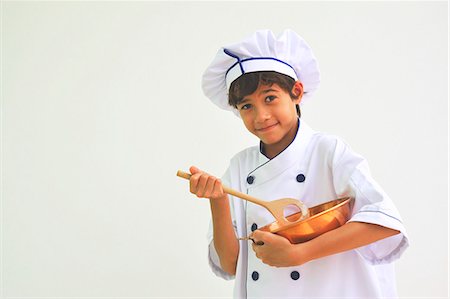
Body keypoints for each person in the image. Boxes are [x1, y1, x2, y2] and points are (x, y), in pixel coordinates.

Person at [187, 29, 409, 298]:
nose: (261, 116)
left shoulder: (328, 151)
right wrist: (218, 199)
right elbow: (232, 264)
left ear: (296, 92)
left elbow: (384, 222)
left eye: (270, 98)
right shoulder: (239, 166)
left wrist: (300, 253)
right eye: (247, 106)